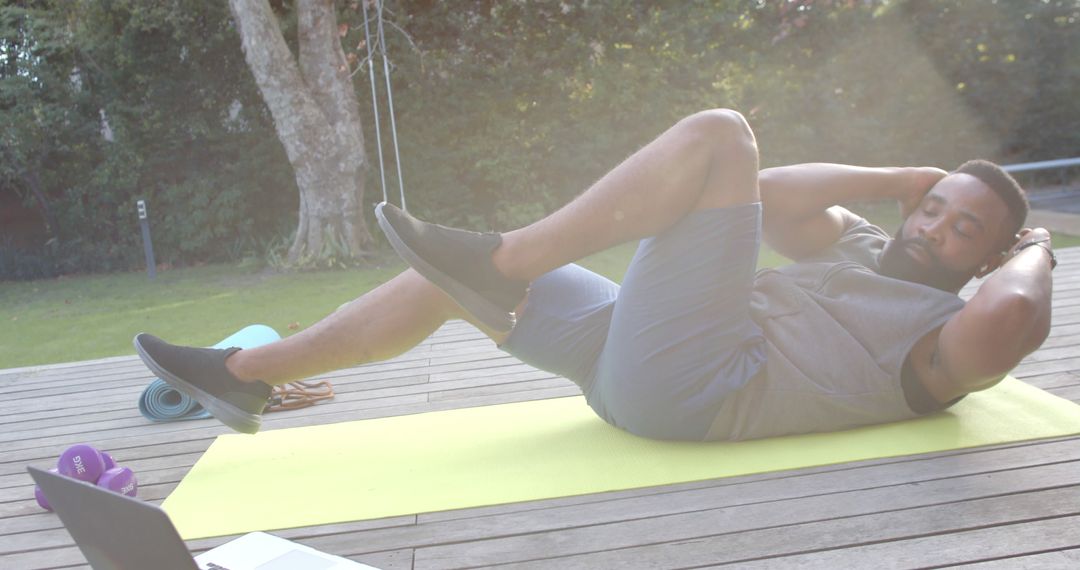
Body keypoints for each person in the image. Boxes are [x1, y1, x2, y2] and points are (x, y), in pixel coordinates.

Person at [134, 109, 1055, 440]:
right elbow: (771, 198)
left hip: (699, 386)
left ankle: (499, 261)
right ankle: (244, 378)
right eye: (935, 208)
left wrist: (1037, 250)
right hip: (643, 364)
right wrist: (902, 179)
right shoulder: (861, 247)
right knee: (432, 285)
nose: (937, 227)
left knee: (719, 136)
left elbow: (1009, 326)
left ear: (988, 257)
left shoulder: (943, 335)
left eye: (965, 228)